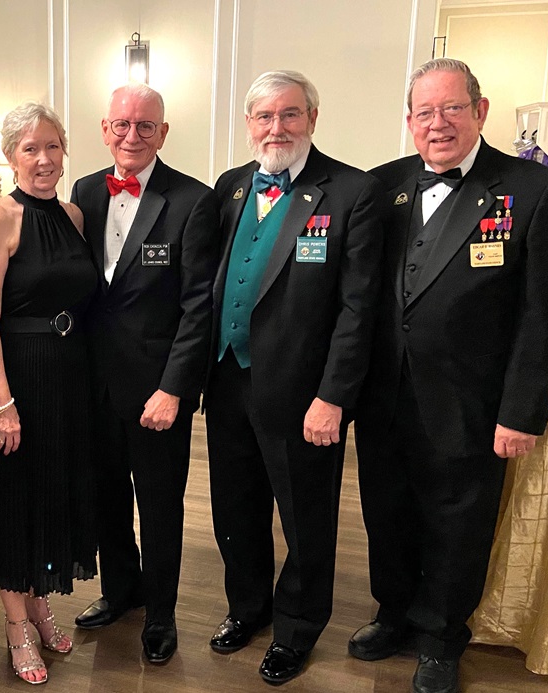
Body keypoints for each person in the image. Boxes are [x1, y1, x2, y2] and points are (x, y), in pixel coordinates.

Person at [351, 58, 548, 693]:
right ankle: (393, 613)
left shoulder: (531, 189)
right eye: (425, 111)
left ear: (480, 111)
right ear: (410, 121)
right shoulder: (383, 185)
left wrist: (521, 412)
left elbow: (546, 315)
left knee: (457, 524)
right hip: (383, 396)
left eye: (452, 108)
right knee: (386, 511)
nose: (438, 123)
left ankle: (442, 637)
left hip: (471, 402)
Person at [205, 70, 384, 685]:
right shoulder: (231, 187)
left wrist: (333, 396)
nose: (276, 127)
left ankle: (297, 628)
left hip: (303, 393)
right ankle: (247, 607)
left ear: (312, 118)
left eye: (289, 114)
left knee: (305, 518)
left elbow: (358, 309)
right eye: (264, 116)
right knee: (235, 507)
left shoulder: (352, 192)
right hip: (227, 378)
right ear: (248, 124)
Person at [70, 83, 219, 664]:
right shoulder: (84, 191)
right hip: (94, 385)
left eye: (145, 126)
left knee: (159, 507)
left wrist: (174, 388)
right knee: (106, 499)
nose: (132, 135)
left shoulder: (193, 200)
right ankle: (120, 591)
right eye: (122, 124)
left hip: (157, 390)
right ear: (105, 129)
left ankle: (160, 613)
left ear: (163, 132)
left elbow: (198, 306)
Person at [0, 102, 99, 685]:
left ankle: (41, 605)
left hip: (69, 372)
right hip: (19, 372)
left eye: (53, 146)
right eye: (30, 148)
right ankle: (17, 625)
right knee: (16, 498)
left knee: (51, 492)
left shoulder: (73, 214)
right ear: (10, 156)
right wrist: (1, 401)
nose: (44, 159)